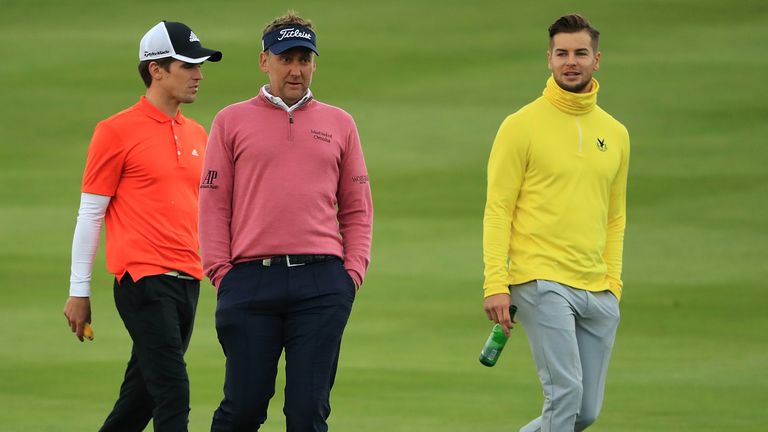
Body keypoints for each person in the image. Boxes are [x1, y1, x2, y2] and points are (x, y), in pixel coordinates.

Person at [199, 11, 373, 432]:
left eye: (303, 59)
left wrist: (351, 275)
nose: (295, 70)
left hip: (321, 284)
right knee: (241, 410)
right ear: (264, 61)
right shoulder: (230, 120)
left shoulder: (339, 123)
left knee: (306, 414)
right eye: (285, 58)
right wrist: (222, 274)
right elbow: (213, 203)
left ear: (314, 62)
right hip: (249, 282)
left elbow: (357, 207)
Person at [62, 20, 221, 432]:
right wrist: (79, 291)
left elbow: (207, 210)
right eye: (188, 65)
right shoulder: (115, 131)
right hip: (143, 280)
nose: (199, 75)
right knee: (172, 390)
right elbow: (91, 214)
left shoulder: (199, 134)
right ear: (157, 69)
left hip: (188, 278)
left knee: (140, 398)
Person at [482, 14, 630, 431]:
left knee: (585, 411)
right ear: (549, 59)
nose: (571, 61)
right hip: (540, 281)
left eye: (580, 53)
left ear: (596, 59)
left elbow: (615, 217)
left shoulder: (616, 133)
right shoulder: (520, 126)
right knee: (564, 396)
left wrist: (613, 285)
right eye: (562, 53)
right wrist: (496, 282)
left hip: (598, 289)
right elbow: (498, 209)